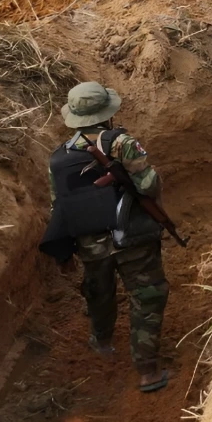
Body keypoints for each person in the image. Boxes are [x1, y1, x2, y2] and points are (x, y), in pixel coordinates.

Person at [39, 81, 171, 392]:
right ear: (107, 114)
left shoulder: (58, 158)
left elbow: (60, 205)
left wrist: (66, 250)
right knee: (147, 296)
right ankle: (148, 371)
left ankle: (103, 342)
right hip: (134, 238)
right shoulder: (123, 143)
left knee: (99, 292)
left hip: (90, 244)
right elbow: (150, 186)